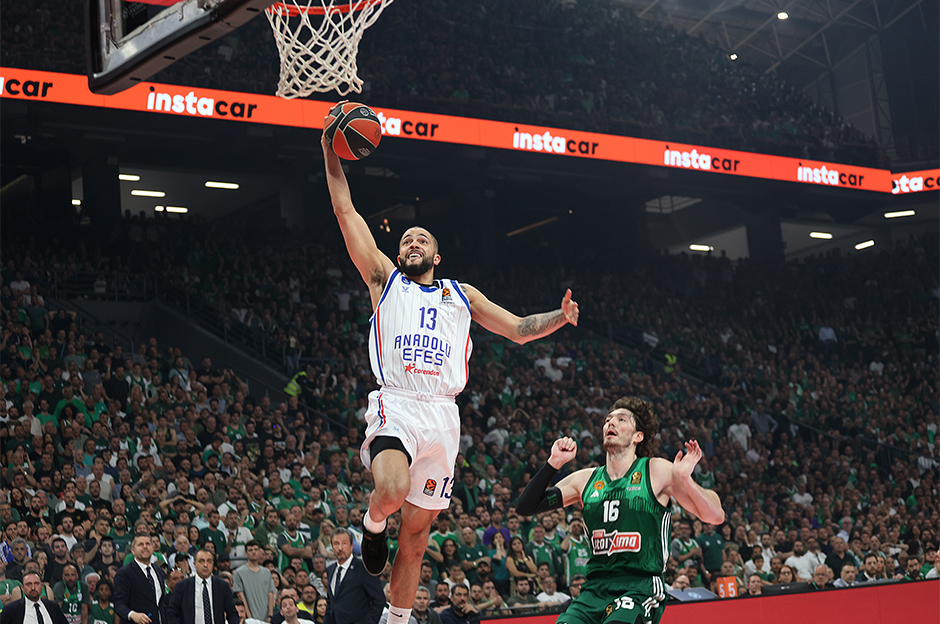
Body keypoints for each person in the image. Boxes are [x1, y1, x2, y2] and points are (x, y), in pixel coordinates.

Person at [322, 125, 579, 624]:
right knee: (391, 491)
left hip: (443, 416)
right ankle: (373, 525)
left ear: (436, 257)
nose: (412, 241)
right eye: (406, 239)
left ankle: (395, 620)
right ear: (399, 254)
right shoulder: (383, 279)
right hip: (397, 401)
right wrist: (328, 152)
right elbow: (345, 211)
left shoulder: (462, 294)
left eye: (423, 238)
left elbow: (520, 330)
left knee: (416, 539)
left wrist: (558, 317)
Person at [516, 397, 724, 624]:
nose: (610, 423)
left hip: (639, 586)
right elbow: (526, 506)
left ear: (638, 436)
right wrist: (553, 463)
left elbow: (714, 515)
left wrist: (686, 480)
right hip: (593, 589)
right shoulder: (586, 479)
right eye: (607, 420)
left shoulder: (656, 470)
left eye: (621, 419)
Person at [324, 529, 384, 624]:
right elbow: (331, 603)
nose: (340, 548)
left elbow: (379, 599)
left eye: (344, 543)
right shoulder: (330, 569)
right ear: (332, 546)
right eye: (336, 543)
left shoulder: (363, 568)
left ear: (351, 546)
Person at [167, 549, 239, 624]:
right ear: (194, 564)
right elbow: (172, 613)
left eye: (209, 561)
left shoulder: (222, 586)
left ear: (213, 564)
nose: (205, 565)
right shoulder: (182, 586)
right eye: (201, 561)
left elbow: (232, 613)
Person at [114, 534, 168, 624]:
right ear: (133, 551)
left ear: (153, 548)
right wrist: (132, 614)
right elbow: (119, 604)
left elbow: (161, 603)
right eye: (140, 544)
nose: (145, 547)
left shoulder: (159, 571)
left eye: (148, 544)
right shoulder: (124, 573)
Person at [0, 572, 69, 624]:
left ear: (41, 586)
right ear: (22, 588)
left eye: (36, 583)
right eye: (28, 584)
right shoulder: (11, 609)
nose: (33, 588)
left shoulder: (53, 607)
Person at [233, 541, 276, 623]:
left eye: (256, 549)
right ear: (246, 553)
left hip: (266, 617)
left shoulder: (266, 572)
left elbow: (270, 594)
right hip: (249, 618)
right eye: (250, 550)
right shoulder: (239, 572)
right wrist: (249, 617)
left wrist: (270, 615)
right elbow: (240, 596)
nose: (253, 552)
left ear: (259, 552)